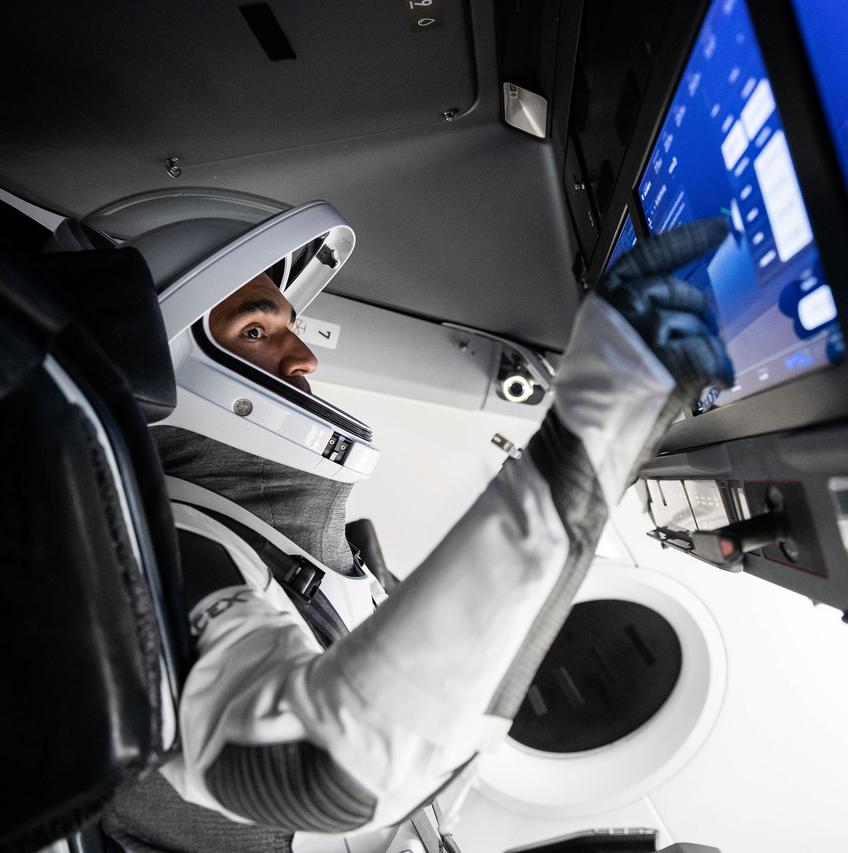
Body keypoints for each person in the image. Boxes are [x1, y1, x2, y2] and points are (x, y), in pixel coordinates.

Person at [101, 212, 733, 852]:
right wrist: (603, 420)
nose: (306, 356)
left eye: (288, 328)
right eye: (258, 329)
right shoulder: (151, 554)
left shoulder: (322, 554)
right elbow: (319, 771)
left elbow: (432, 733)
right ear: (163, 372)